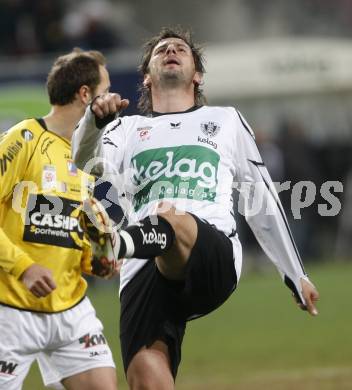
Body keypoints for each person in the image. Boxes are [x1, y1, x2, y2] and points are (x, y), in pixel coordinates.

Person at [72, 27, 320, 390]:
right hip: (145, 266)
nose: (170, 49)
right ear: (146, 76)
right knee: (144, 375)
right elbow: (84, 164)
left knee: (169, 215)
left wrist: (294, 273)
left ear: (198, 74)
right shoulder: (125, 128)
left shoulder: (226, 121)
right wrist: (93, 121)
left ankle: (114, 244)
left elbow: (260, 197)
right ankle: (121, 244)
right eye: (161, 50)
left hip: (211, 252)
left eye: (180, 49)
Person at [0, 49, 118, 390]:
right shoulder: (24, 139)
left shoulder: (92, 158)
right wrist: (24, 267)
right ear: (86, 94)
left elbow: (74, 229)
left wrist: (97, 261)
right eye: (106, 89)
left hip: (70, 308)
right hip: (10, 308)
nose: (112, 98)